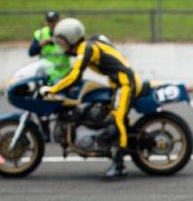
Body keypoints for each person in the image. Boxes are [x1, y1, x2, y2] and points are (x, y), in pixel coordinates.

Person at [41, 17, 142, 178]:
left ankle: (120, 165)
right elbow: (73, 56)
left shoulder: (87, 49)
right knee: (105, 116)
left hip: (125, 84)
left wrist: (53, 89)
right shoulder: (87, 46)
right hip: (117, 83)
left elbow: (75, 75)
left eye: (62, 40)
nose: (61, 44)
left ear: (71, 38)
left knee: (118, 119)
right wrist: (52, 45)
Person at [28, 11, 71, 84]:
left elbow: (76, 52)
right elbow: (31, 52)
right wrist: (41, 44)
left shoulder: (66, 33)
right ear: (46, 23)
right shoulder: (40, 34)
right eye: (50, 22)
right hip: (45, 74)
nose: (52, 24)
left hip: (63, 74)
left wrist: (65, 46)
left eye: (54, 22)